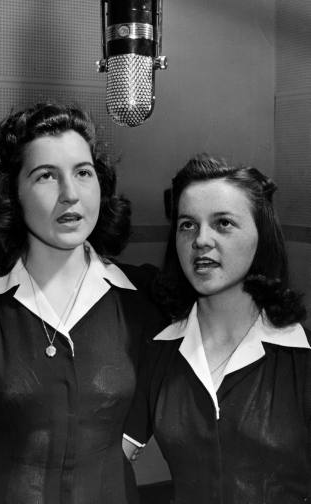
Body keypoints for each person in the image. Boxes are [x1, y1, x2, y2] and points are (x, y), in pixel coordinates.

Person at [0, 102, 162, 504]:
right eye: (46, 176)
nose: (70, 194)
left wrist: (132, 435)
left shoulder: (144, 297)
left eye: (83, 173)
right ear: (13, 193)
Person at [125, 154, 309, 504]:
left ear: (262, 235)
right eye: (187, 225)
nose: (201, 240)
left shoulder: (302, 361)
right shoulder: (159, 353)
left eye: (223, 223)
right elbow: (101, 457)